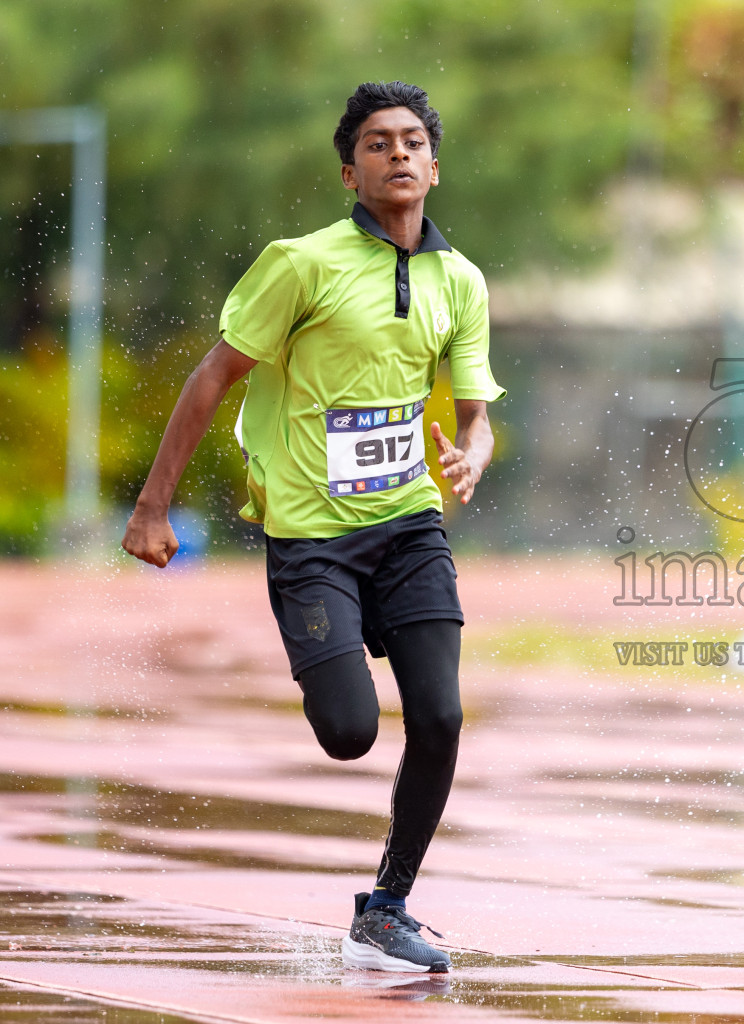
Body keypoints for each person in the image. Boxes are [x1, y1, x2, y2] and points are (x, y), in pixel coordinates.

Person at [121, 81, 504, 974]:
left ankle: (388, 907)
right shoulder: (301, 263)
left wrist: (473, 453)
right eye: (377, 143)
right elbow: (213, 375)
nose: (398, 154)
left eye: (413, 142)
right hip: (311, 538)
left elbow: (476, 412)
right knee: (348, 733)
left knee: (442, 717)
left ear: (436, 167)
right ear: (348, 170)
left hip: (410, 525)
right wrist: (153, 504)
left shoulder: (462, 280)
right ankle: (336, 645)